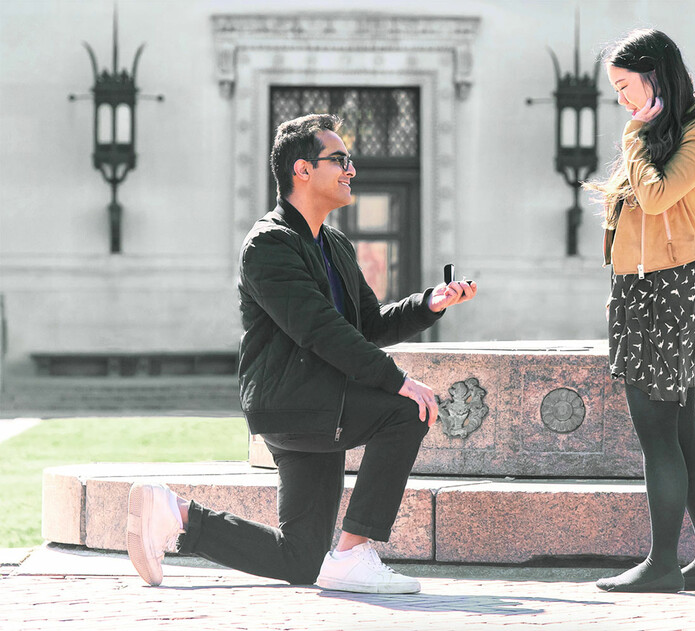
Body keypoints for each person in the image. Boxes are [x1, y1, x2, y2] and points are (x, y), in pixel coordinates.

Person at [125, 113, 477, 594]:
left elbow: (368, 325)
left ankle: (175, 515)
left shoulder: (334, 245)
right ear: (302, 170)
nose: (351, 170)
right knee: (406, 410)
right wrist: (399, 381)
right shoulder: (268, 245)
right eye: (340, 160)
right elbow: (321, 330)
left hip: (319, 404)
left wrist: (429, 302)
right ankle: (354, 552)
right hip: (296, 404)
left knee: (300, 560)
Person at [585, 28, 695, 593]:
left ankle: (664, 564)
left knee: (657, 434)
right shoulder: (667, 134)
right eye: (616, 90)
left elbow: (654, 197)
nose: (622, 99)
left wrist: (635, 134)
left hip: (667, 290)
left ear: (656, 75)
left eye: (626, 86)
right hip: (647, 290)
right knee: (680, 433)